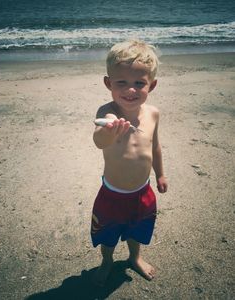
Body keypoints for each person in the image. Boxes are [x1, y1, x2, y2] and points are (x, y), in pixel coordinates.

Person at [91, 40, 168, 286]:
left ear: (152, 85)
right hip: (112, 193)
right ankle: (107, 261)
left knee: (138, 230)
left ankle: (135, 257)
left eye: (139, 83)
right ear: (108, 83)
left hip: (142, 191)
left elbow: (155, 146)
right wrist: (110, 130)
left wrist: (161, 175)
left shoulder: (153, 114)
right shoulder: (108, 112)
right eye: (121, 82)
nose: (130, 90)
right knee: (108, 235)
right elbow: (99, 140)